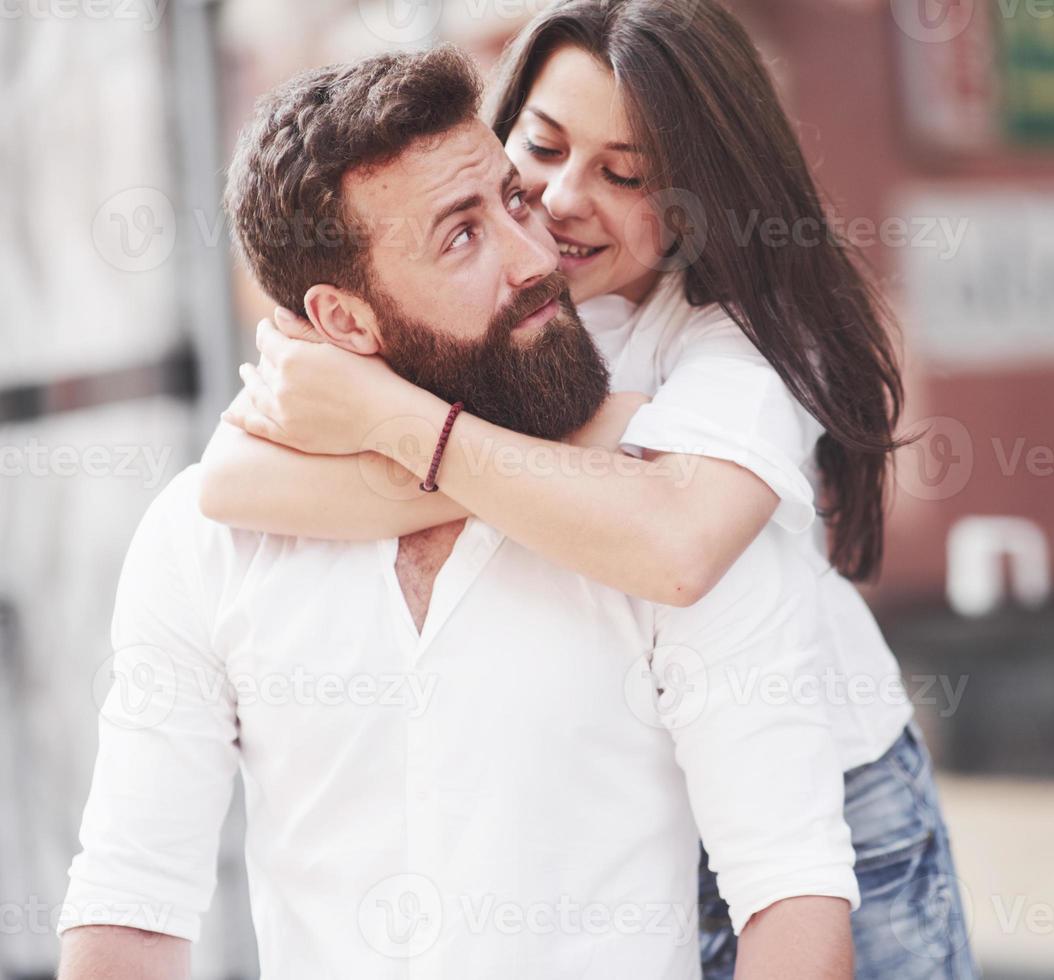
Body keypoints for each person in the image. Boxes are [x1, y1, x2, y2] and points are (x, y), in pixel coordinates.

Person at [204, 2, 975, 976]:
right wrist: (598, 450)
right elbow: (233, 478)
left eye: (625, 175)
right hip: (624, 819)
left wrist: (394, 426)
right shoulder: (475, 284)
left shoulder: (748, 338)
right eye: (542, 143)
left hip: (823, 811)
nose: (563, 200)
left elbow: (680, 544)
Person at [57, 46, 860, 979]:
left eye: (509, 203)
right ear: (344, 324)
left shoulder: (686, 458)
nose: (539, 251)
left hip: (865, 791)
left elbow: (789, 893)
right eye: (463, 234)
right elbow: (132, 905)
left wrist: (396, 417)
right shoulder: (205, 543)